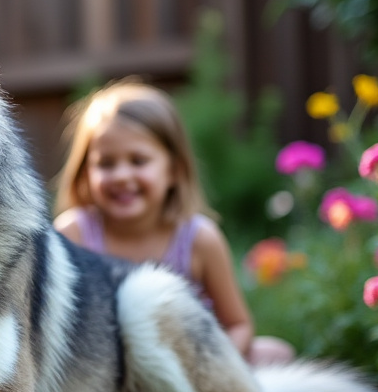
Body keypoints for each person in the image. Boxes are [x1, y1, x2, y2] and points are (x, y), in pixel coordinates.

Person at [53, 80, 295, 366]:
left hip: (189, 364)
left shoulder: (199, 239)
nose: (121, 175)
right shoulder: (74, 235)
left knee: (276, 353)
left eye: (138, 160)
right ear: (85, 173)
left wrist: (211, 367)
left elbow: (238, 325)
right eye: (106, 163)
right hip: (107, 373)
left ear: (173, 170)